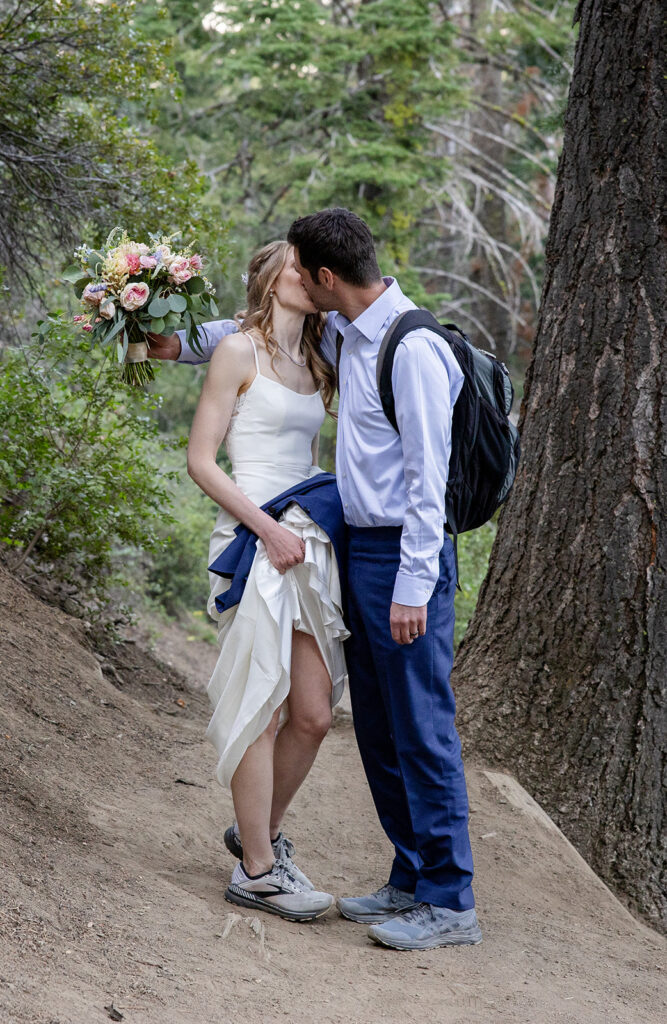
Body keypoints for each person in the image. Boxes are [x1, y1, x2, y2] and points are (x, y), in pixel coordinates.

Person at [149, 209, 481, 951]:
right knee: (334, 714)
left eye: (306, 269)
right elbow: (236, 338)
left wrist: (410, 583)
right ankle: (367, 875)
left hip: (366, 548)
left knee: (365, 716)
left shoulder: (376, 346)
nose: (300, 277)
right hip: (300, 536)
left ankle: (442, 895)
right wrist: (168, 341)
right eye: (288, 268)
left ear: (326, 280)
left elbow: (429, 480)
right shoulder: (300, 340)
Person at [184, 240, 349, 922]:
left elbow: (307, 456)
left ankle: (259, 833)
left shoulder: (317, 359)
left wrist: (301, 532)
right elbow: (202, 461)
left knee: (312, 713)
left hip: (305, 540)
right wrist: (266, 529)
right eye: (297, 265)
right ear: (272, 277)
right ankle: (255, 871)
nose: (309, 276)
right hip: (254, 538)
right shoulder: (236, 352)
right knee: (261, 701)